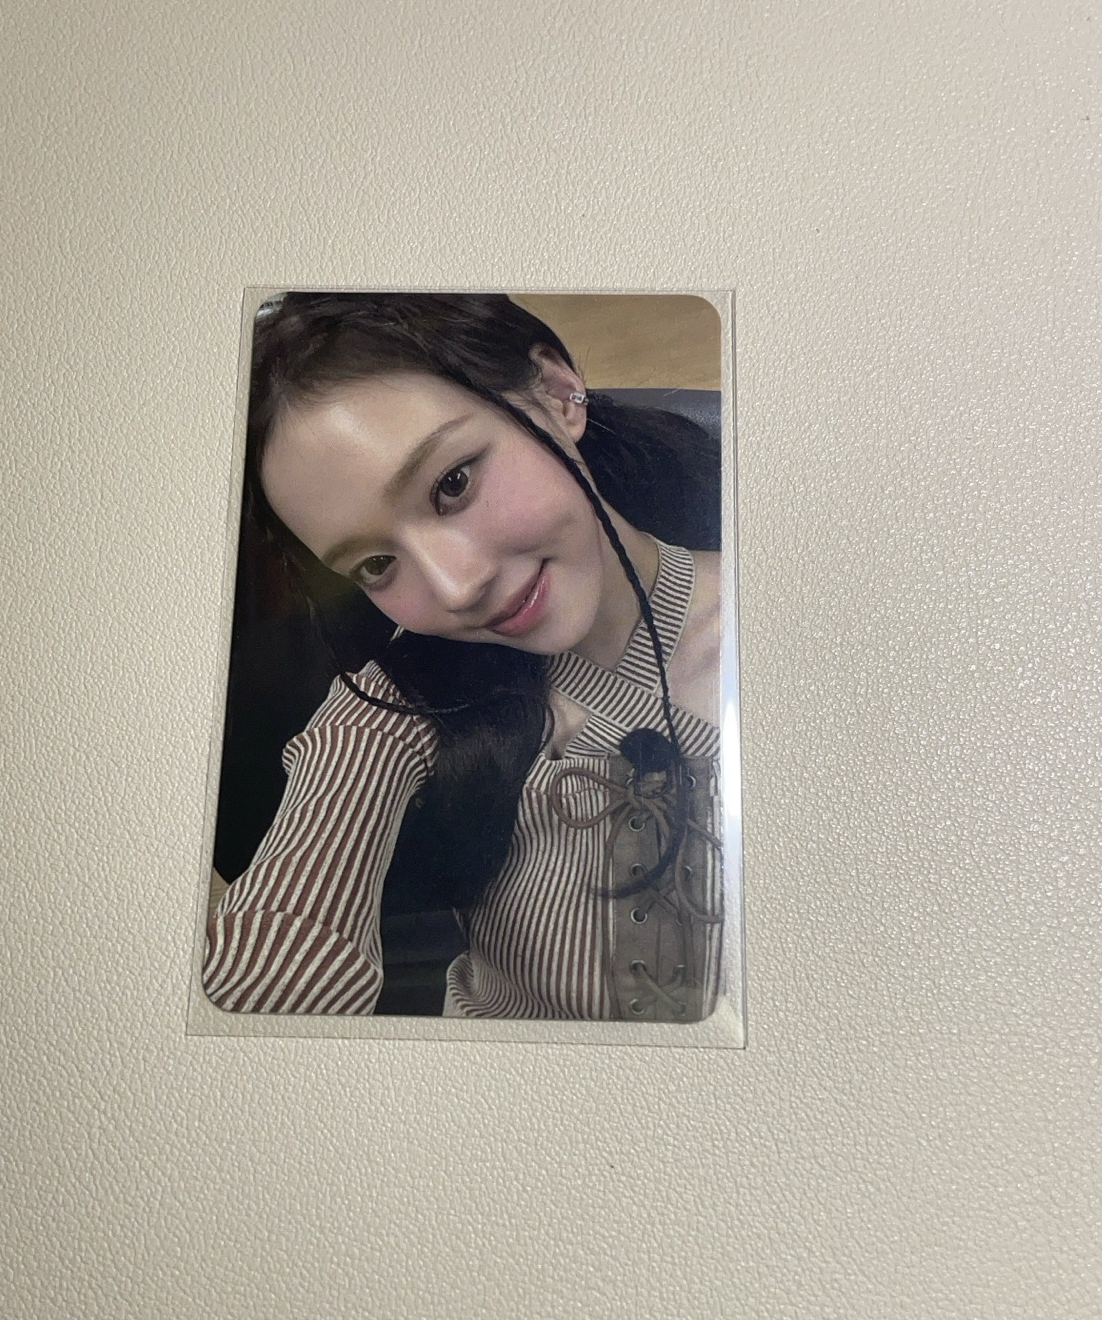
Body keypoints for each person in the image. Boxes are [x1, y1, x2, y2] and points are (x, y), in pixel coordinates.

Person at [203, 293, 724, 1020]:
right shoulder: (397, 701)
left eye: (452, 484)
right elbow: (281, 943)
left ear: (556, 392)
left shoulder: (818, 626)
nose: (457, 587)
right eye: (377, 564)